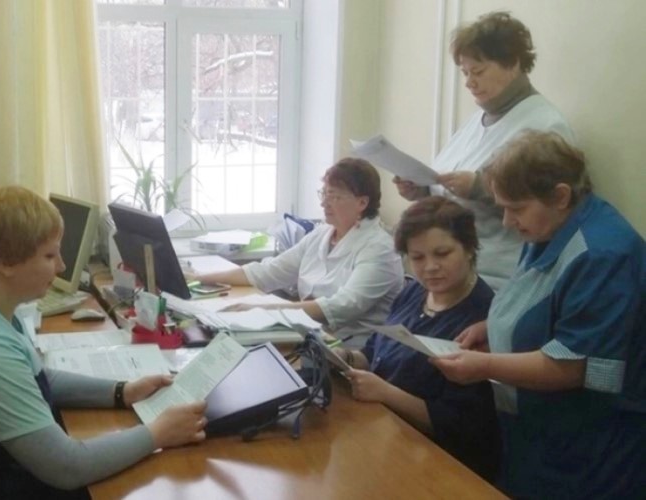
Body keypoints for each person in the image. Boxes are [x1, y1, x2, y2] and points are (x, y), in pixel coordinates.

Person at [0, 186, 207, 499]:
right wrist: (158, 433)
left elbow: (35, 376)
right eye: (49, 255)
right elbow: (66, 467)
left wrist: (122, 391)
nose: (61, 266)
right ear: (5, 262)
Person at [433, 131, 645, 498]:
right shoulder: (550, 227)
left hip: (591, 446)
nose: (506, 221)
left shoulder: (602, 254)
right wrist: (494, 327)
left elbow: (573, 365)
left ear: (560, 196)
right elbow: (539, 298)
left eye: (515, 208)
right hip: (538, 435)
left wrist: (484, 366)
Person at [394, 11, 575, 291]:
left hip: (497, 277)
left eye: (478, 72)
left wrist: (479, 188)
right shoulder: (477, 120)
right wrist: (423, 189)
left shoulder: (545, 125)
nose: (469, 82)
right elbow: (449, 183)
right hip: (452, 275)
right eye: (465, 73)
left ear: (513, 63)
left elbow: (547, 207)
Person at [332, 197, 500, 481]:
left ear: (469, 249)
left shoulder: (482, 318)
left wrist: (385, 392)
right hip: (384, 433)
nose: (430, 267)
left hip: (439, 463)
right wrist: (346, 357)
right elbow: (374, 352)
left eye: (442, 254)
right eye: (418, 258)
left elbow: (459, 425)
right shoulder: (415, 292)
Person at [197, 158, 403, 342]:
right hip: (311, 336)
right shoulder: (322, 234)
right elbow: (269, 271)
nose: (324, 203)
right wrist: (198, 278)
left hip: (350, 350)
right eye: (324, 193)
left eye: (334, 196)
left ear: (362, 202)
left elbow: (341, 306)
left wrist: (265, 310)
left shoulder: (379, 249)